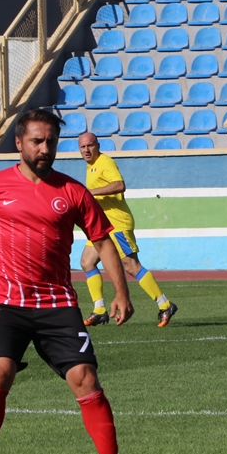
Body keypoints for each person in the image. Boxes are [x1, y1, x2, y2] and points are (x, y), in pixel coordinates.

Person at [0, 109, 137, 454]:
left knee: (86, 378)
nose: (45, 148)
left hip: (57, 304)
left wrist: (121, 292)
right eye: (37, 141)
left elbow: (102, 241)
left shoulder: (73, 192)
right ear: (19, 143)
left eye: (51, 141)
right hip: (7, 303)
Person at [77, 132, 177, 328]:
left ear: (98, 146)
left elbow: (119, 185)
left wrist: (91, 193)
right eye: (83, 147)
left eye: (90, 145)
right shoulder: (91, 166)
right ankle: (99, 310)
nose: (86, 150)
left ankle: (165, 304)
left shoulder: (105, 162)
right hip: (102, 225)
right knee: (87, 262)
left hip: (117, 224)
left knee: (131, 266)